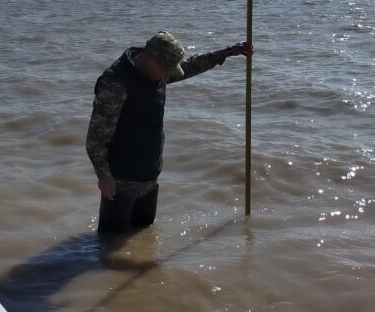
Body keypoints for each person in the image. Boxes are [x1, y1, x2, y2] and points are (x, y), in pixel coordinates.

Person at [86, 30, 253, 235]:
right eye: (166, 70)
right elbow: (96, 138)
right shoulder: (116, 84)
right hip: (120, 183)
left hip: (150, 175)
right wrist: (103, 176)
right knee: (109, 242)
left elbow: (190, 66)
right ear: (151, 59)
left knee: (144, 235)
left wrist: (226, 53)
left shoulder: (157, 70)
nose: (168, 75)